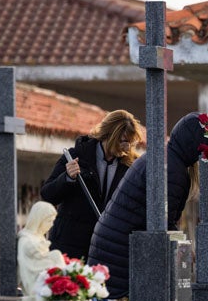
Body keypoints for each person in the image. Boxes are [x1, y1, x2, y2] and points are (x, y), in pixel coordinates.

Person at [88, 113, 206, 301]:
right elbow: (162, 219)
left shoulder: (164, 158)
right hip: (120, 246)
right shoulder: (172, 170)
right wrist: (184, 245)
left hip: (111, 239)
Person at [40, 110, 142, 259]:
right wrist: (67, 177)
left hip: (107, 248)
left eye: (130, 143)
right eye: (123, 141)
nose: (127, 147)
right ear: (109, 135)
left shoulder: (130, 167)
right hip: (70, 247)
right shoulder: (76, 156)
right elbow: (47, 194)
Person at [18, 201, 67, 301]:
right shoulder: (26, 240)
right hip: (34, 283)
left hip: (44, 279)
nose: (51, 225)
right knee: (57, 257)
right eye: (49, 221)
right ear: (39, 219)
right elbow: (30, 266)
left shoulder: (37, 238)